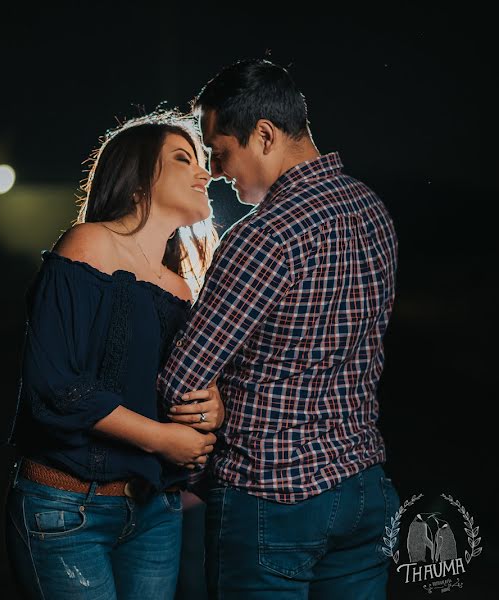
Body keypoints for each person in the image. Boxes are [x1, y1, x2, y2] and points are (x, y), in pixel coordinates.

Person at [158, 59, 401, 599]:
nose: (217, 172)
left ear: (264, 135)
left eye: (221, 153)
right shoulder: (372, 211)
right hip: (364, 487)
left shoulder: (264, 235)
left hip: (272, 497)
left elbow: (182, 382)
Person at [4, 111, 223, 599]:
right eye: (184, 159)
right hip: (67, 508)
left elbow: (174, 385)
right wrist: (163, 440)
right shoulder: (90, 245)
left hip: (153, 511)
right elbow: (56, 386)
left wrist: (212, 404)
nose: (204, 173)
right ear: (139, 177)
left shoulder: (181, 287)